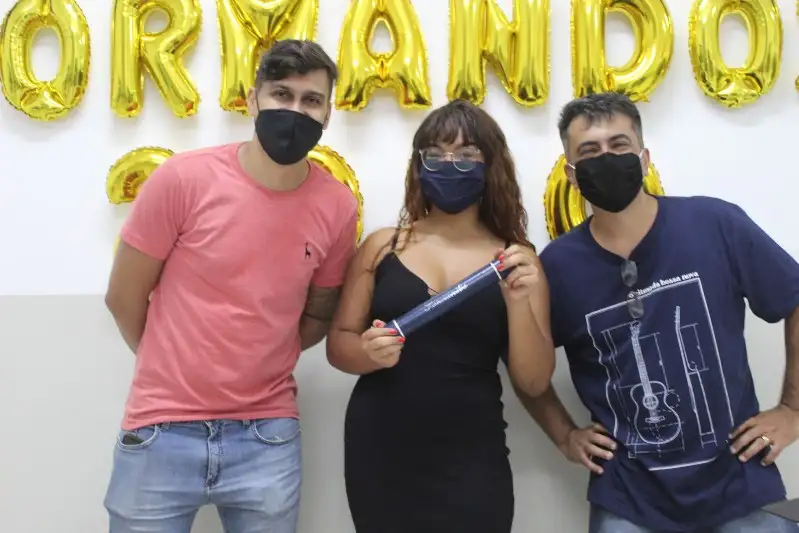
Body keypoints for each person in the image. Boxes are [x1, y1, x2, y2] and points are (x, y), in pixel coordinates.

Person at [102, 40, 358, 533]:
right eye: (281, 94)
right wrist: (171, 362)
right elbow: (123, 297)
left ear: (328, 114)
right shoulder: (183, 179)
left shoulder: (337, 207)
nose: (294, 110)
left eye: (311, 100)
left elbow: (318, 313)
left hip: (267, 436)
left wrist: (260, 359)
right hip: (161, 427)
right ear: (252, 99)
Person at [528, 91, 799, 533]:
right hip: (628, 500)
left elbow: (794, 296)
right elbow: (525, 365)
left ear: (645, 158)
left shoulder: (715, 223)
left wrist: (792, 410)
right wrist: (564, 434)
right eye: (589, 151)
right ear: (572, 176)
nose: (606, 158)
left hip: (739, 484)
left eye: (619, 145)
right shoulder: (556, 267)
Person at [326, 99, 555, 532]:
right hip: (381, 450)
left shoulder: (516, 261)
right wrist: (366, 353)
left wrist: (518, 302)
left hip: (473, 453)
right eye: (435, 155)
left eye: (467, 154)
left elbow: (534, 381)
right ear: (418, 166)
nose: (450, 165)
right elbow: (339, 344)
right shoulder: (382, 247)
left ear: (491, 166)